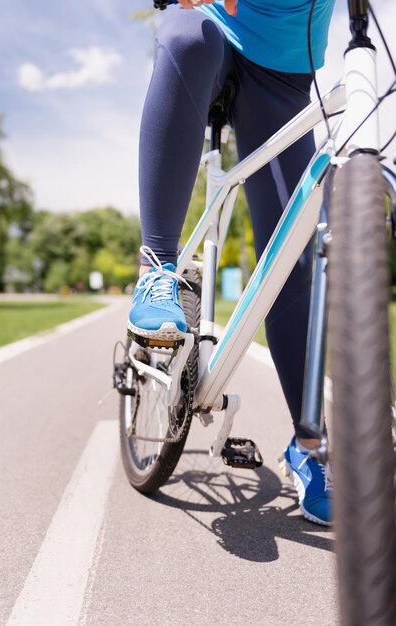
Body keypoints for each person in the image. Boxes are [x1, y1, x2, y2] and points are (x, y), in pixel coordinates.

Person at [128, 0, 335, 525]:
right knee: (185, 40)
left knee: (291, 257)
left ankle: (310, 446)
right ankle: (158, 269)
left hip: (287, 67)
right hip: (215, 24)